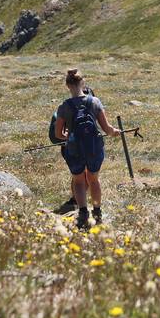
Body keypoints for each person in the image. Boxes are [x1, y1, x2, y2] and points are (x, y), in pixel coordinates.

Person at [55, 69, 120, 230]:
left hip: (74, 149)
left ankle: (83, 212)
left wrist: (69, 137)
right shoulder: (95, 102)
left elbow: (58, 134)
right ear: (82, 83)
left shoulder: (64, 107)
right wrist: (115, 132)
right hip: (94, 147)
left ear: (67, 85)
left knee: (78, 181)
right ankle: (97, 212)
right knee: (93, 179)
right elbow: (107, 129)